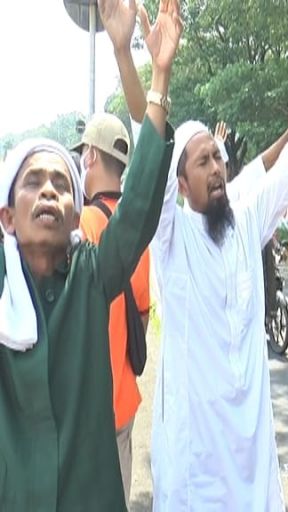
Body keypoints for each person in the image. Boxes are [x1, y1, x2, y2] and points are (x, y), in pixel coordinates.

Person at [114, 5, 288, 505]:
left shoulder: (245, 220)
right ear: (180, 183)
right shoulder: (171, 235)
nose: (216, 167)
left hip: (249, 460)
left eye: (218, 157)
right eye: (203, 161)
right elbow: (151, 156)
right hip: (195, 466)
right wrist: (149, 69)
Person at [0, 0, 180, 508]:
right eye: (33, 183)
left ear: (77, 214)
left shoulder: (92, 272)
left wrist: (151, 71)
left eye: (63, 183)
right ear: (7, 217)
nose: (51, 192)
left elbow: (143, 200)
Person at [73, 112, 148, 506]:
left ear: (90, 157)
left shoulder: (83, 221)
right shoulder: (135, 226)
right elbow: (141, 312)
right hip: (124, 398)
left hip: (89, 406)